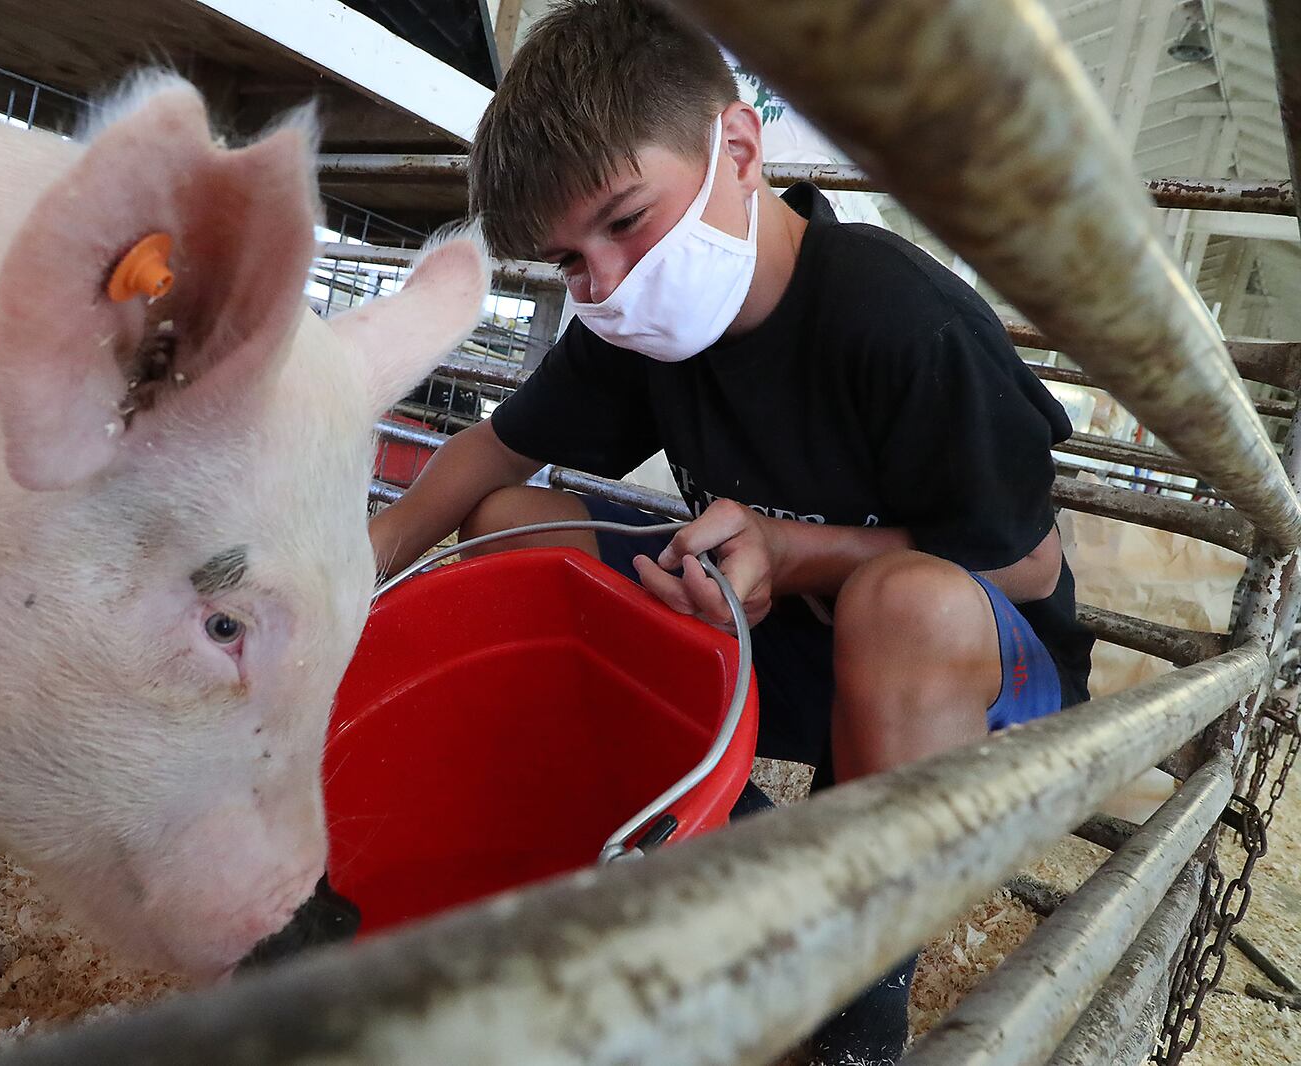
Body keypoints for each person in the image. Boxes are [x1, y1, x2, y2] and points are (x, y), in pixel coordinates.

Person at [368, 1, 1094, 1060]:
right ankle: (732, 847)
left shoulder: (897, 318)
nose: (603, 282)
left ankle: (856, 1005)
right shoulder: (643, 324)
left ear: (740, 148)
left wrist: (799, 552)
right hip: (786, 641)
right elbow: (496, 451)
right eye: (567, 260)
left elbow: (1023, 564)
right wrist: (359, 569)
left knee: (904, 602)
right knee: (515, 525)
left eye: (623, 219)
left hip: (977, 690)